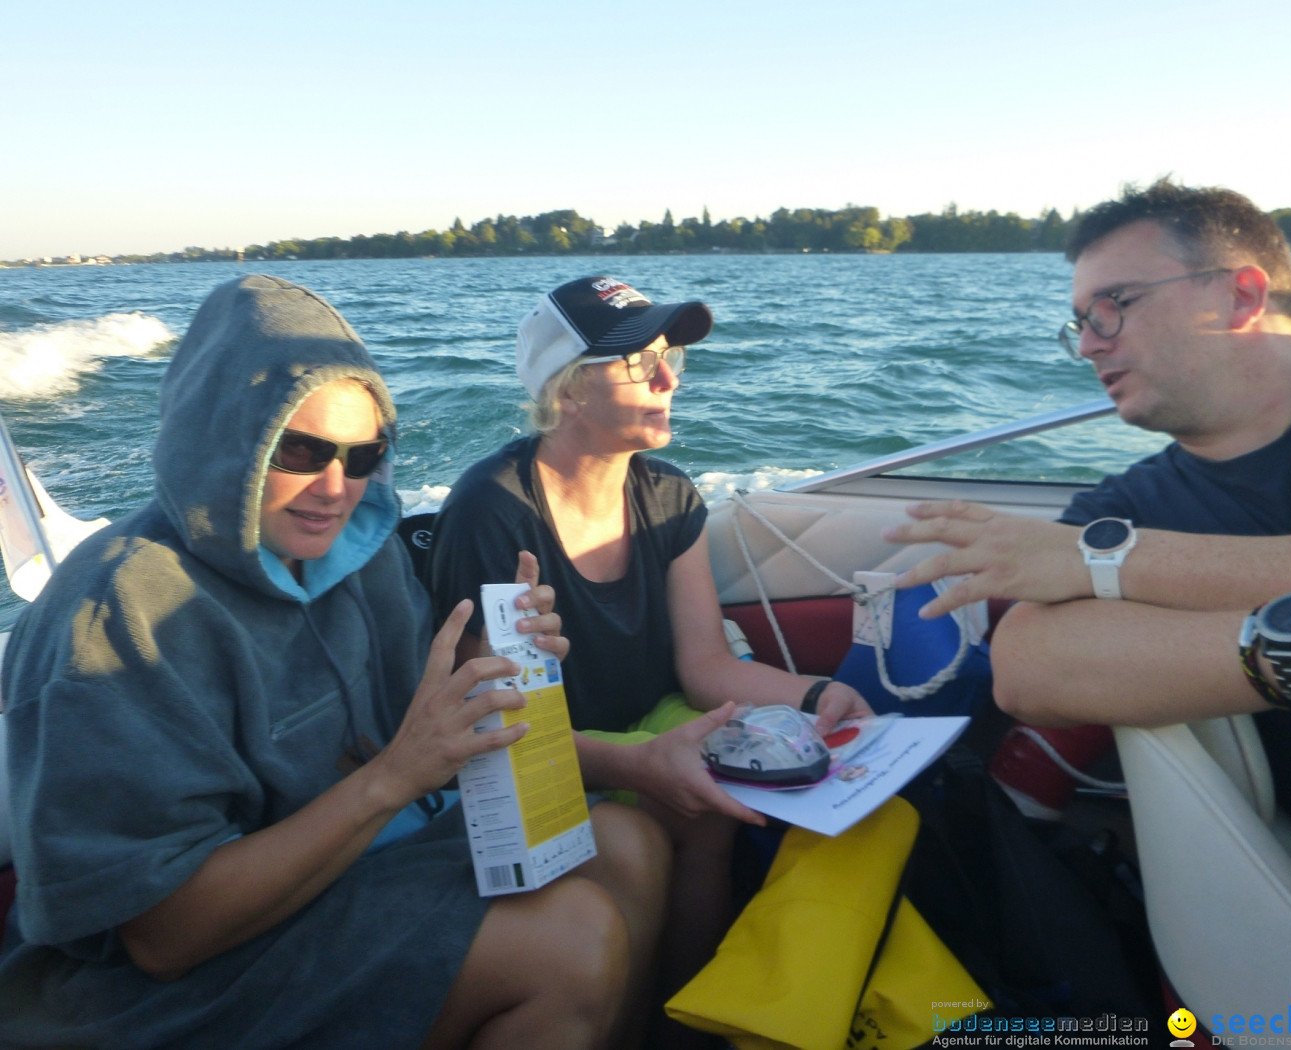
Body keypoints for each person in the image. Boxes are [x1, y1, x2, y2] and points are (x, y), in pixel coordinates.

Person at [0, 275, 669, 1050]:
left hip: (356, 863)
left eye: (362, 456)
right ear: (223, 437)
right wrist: (394, 777)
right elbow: (163, 937)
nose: (335, 489)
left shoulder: (363, 559)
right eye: (298, 451)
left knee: (631, 844)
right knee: (569, 944)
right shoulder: (116, 620)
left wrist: (484, 674)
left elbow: (418, 733)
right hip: (153, 984)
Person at [884, 179, 1291, 963]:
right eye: (1081, 323)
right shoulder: (1128, 502)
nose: (1089, 343)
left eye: (1113, 305)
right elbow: (1028, 669)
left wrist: (1116, 562)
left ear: (1240, 296)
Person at [427, 275, 875, 1017]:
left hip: (654, 714)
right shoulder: (493, 510)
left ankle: (692, 1018)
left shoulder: (668, 496)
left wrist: (822, 698)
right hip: (543, 745)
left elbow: (704, 667)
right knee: (668, 818)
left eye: (671, 358)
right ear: (568, 392)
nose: (669, 379)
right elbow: (489, 723)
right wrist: (636, 762)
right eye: (640, 363)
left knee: (780, 784)